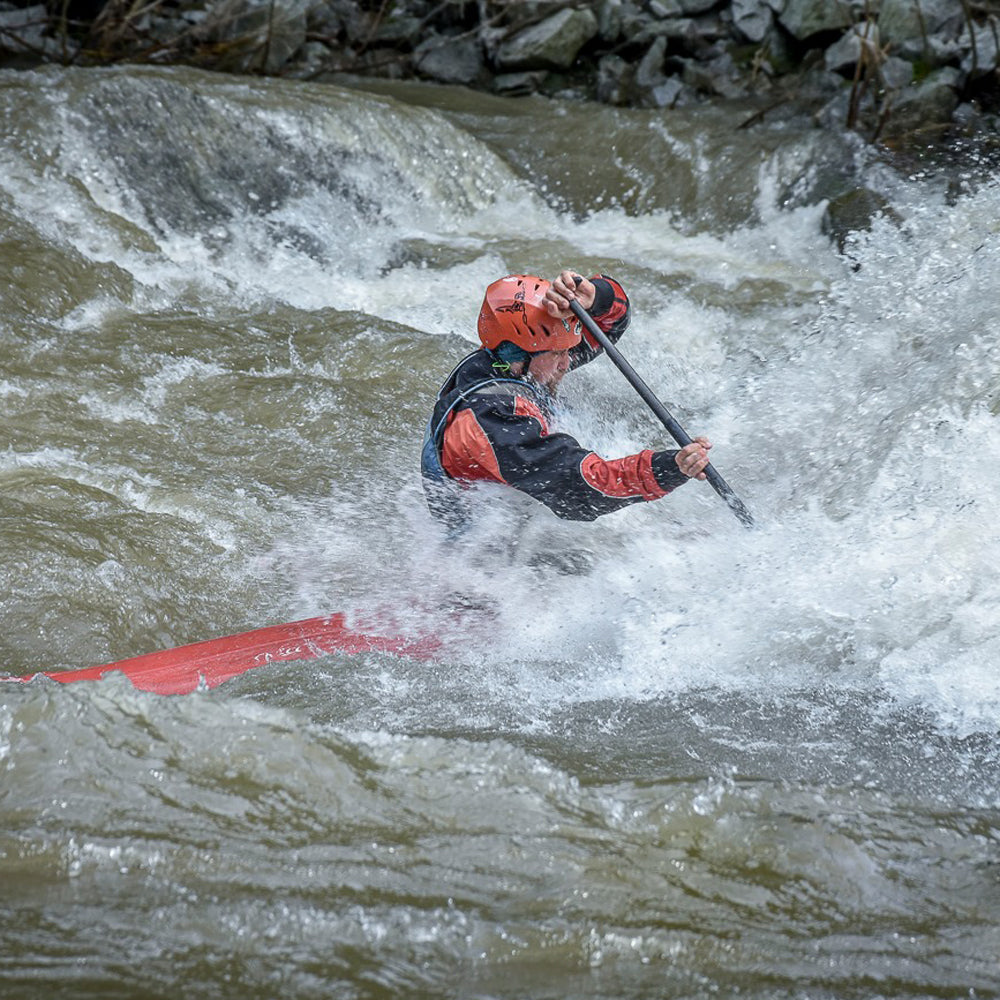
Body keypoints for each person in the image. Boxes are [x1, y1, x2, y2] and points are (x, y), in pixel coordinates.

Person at [421, 269, 712, 534]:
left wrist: (594, 297)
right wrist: (669, 468)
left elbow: (611, 324)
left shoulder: (522, 363)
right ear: (519, 356)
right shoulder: (491, 420)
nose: (567, 363)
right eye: (558, 354)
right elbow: (580, 490)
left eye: (568, 350)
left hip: (525, 518)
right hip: (485, 560)